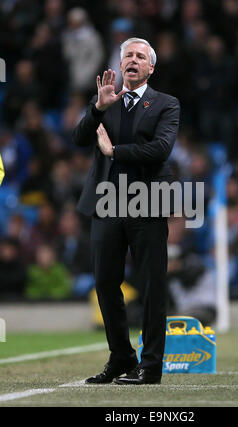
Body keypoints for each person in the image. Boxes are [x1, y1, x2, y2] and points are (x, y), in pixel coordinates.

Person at [72, 37, 180, 385]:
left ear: (151, 67)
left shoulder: (166, 103)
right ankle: (121, 357)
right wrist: (98, 109)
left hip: (148, 202)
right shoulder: (105, 99)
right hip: (107, 202)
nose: (132, 60)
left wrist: (115, 151)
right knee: (104, 282)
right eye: (127, 56)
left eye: (140, 56)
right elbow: (77, 138)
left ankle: (150, 366)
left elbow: (161, 149)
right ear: (120, 66)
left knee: (151, 285)